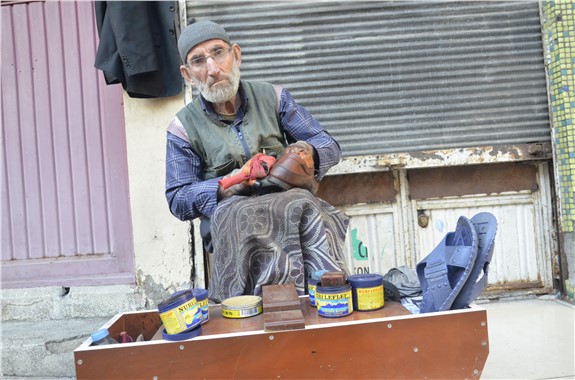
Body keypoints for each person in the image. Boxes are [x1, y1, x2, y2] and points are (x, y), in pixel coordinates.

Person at [165, 20, 350, 303]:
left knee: (308, 207)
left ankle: (328, 298)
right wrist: (227, 184)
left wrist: (302, 156)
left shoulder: (274, 98)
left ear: (236, 55)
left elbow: (329, 145)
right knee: (245, 218)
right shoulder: (182, 128)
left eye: (218, 53)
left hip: (289, 204)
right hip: (233, 220)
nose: (213, 69)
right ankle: (249, 320)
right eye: (198, 61)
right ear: (188, 74)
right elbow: (178, 199)